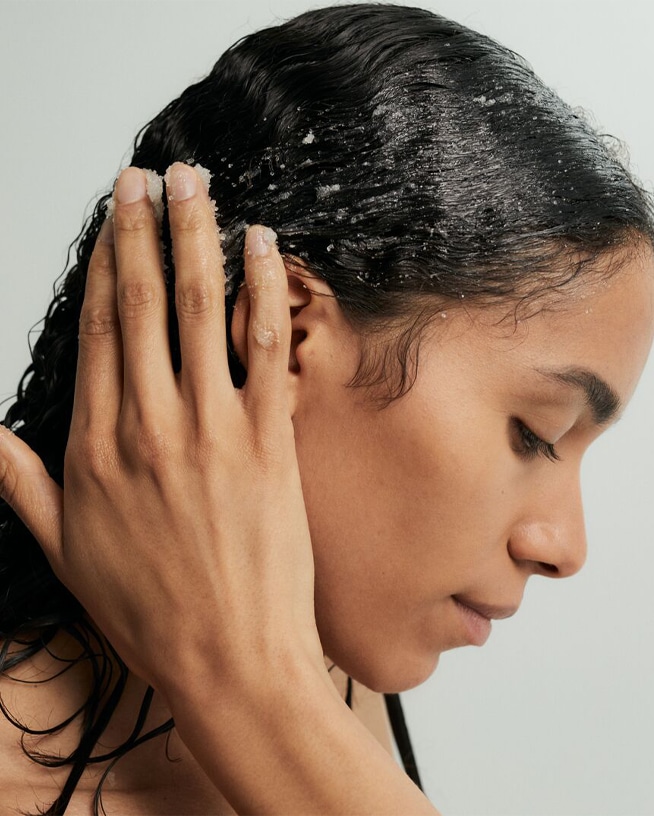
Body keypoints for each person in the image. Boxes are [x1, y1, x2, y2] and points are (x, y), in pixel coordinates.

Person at [0, 3, 653, 814]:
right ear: (285, 328)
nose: (566, 547)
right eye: (537, 432)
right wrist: (251, 685)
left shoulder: (322, 677)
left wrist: (253, 686)